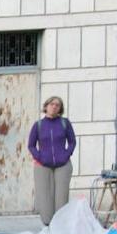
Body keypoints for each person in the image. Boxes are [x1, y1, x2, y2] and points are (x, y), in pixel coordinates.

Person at [28, 97, 77, 226]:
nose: (54, 107)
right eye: (52, 104)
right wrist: (39, 157)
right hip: (43, 165)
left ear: (60, 109)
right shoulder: (38, 125)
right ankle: (47, 224)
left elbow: (72, 141)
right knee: (44, 196)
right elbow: (31, 145)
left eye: (58, 105)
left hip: (63, 165)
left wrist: (66, 154)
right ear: (46, 106)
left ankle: (60, 224)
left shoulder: (64, 123)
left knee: (61, 197)